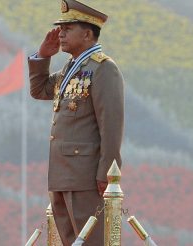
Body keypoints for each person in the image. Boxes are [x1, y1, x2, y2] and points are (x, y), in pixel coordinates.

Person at [28, 0, 124, 245]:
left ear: (87, 33)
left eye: (67, 28)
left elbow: (110, 124)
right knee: (72, 241)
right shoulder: (71, 68)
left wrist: (107, 173)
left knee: (91, 240)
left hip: (86, 175)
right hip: (62, 173)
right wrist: (42, 56)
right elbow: (39, 90)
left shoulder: (102, 69)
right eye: (61, 28)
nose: (60, 34)